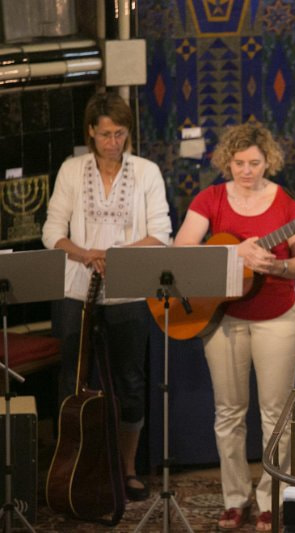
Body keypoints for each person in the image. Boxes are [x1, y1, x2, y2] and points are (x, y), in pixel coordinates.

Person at [174, 122, 295, 531]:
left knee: (276, 415)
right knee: (229, 413)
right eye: (239, 163)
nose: (247, 171)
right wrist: (234, 254)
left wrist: (279, 266)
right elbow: (182, 250)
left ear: (268, 160)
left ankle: (272, 500)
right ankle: (235, 499)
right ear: (227, 161)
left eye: (254, 163)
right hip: (224, 317)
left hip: (278, 317)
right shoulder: (210, 199)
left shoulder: (287, 203)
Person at [42, 91, 172, 502]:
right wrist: (86, 254)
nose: (113, 142)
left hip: (128, 291)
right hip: (75, 290)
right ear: (91, 134)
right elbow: (51, 231)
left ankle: (127, 469)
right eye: (105, 135)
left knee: (130, 382)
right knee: (71, 382)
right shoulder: (71, 169)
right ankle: (71, 467)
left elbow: (161, 234)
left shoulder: (147, 172)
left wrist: (113, 256)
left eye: (120, 134)